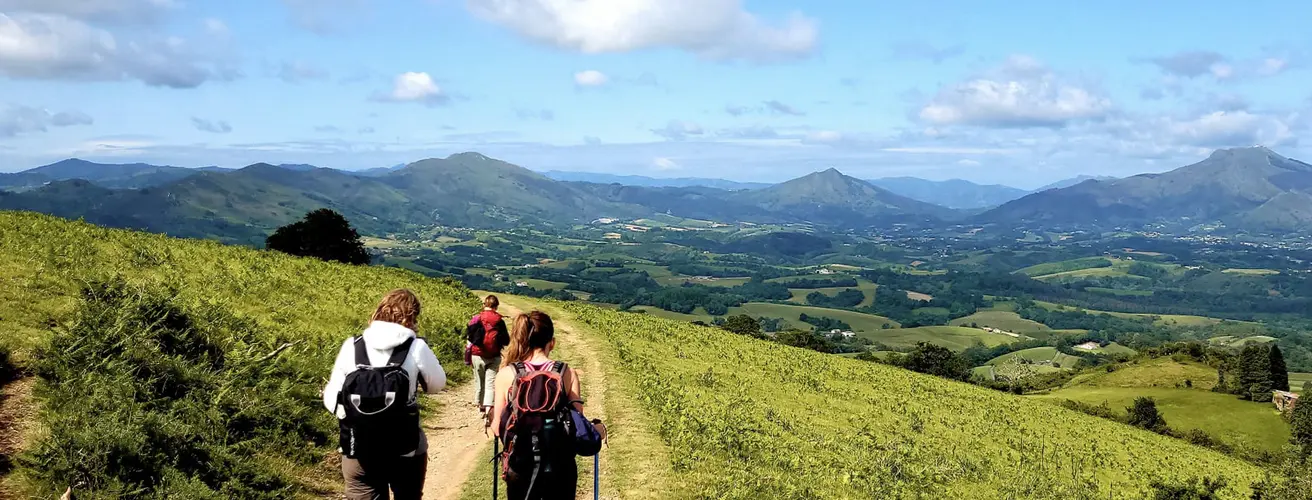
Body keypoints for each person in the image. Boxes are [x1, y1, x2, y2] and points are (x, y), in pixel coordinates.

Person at [323, 289, 447, 500]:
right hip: (405, 447)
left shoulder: (352, 345)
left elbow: (331, 398)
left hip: (359, 447)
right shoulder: (416, 347)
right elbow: (437, 385)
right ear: (413, 315)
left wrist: (355, 415)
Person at [491, 311, 606, 500]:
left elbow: (497, 428)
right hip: (561, 467)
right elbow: (576, 425)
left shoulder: (507, 374)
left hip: (520, 464)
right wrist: (597, 430)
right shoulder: (566, 372)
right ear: (551, 342)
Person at [468, 295, 510, 420]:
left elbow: (469, 336)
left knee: (479, 381)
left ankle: (479, 406)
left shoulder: (476, 318)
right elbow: (506, 340)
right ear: (496, 306)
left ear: (484, 305)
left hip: (477, 354)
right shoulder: (499, 321)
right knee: (490, 384)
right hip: (494, 356)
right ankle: (488, 410)